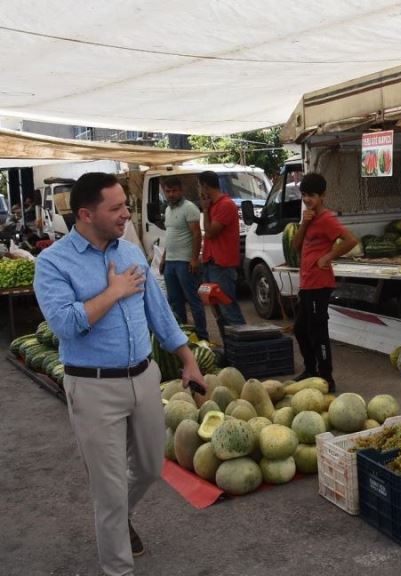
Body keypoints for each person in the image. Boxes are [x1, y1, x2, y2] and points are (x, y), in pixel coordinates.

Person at [33, 172, 205, 576]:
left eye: (125, 205)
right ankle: (118, 566)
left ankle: (117, 517)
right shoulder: (53, 263)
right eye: (116, 208)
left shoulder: (129, 253)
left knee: (149, 467)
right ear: (86, 214)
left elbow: (159, 315)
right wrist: (113, 292)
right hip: (93, 386)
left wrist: (188, 359)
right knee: (107, 489)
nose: (126, 214)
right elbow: (64, 325)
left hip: (143, 378)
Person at [291, 172, 358, 393]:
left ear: (322, 196)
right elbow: (295, 246)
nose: (307, 199)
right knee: (300, 329)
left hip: (320, 284)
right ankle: (311, 369)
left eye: (311, 195)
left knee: (317, 331)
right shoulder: (308, 218)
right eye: (304, 195)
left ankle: (326, 378)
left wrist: (329, 256)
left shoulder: (327, 219)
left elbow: (351, 240)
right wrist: (303, 223)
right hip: (307, 284)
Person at [158, 176, 209, 340]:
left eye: (174, 191)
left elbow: (196, 235)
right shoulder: (168, 209)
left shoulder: (189, 208)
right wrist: (164, 258)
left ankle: (202, 337)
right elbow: (170, 236)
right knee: (174, 302)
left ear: (181, 191)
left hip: (185, 262)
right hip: (171, 262)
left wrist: (194, 259)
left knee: (194, 301)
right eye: (168, 191)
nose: (171, 194)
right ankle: (182, 337)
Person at [198, 170, 246, 327]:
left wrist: (205, 210)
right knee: (218, 312)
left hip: (222, 265)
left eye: (200, 186)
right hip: (210, 262)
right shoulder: (213, 205)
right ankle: (229, 348)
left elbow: (210, 232)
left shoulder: (225, 205)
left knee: (228, 309)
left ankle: (243, 346)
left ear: (204, 186)